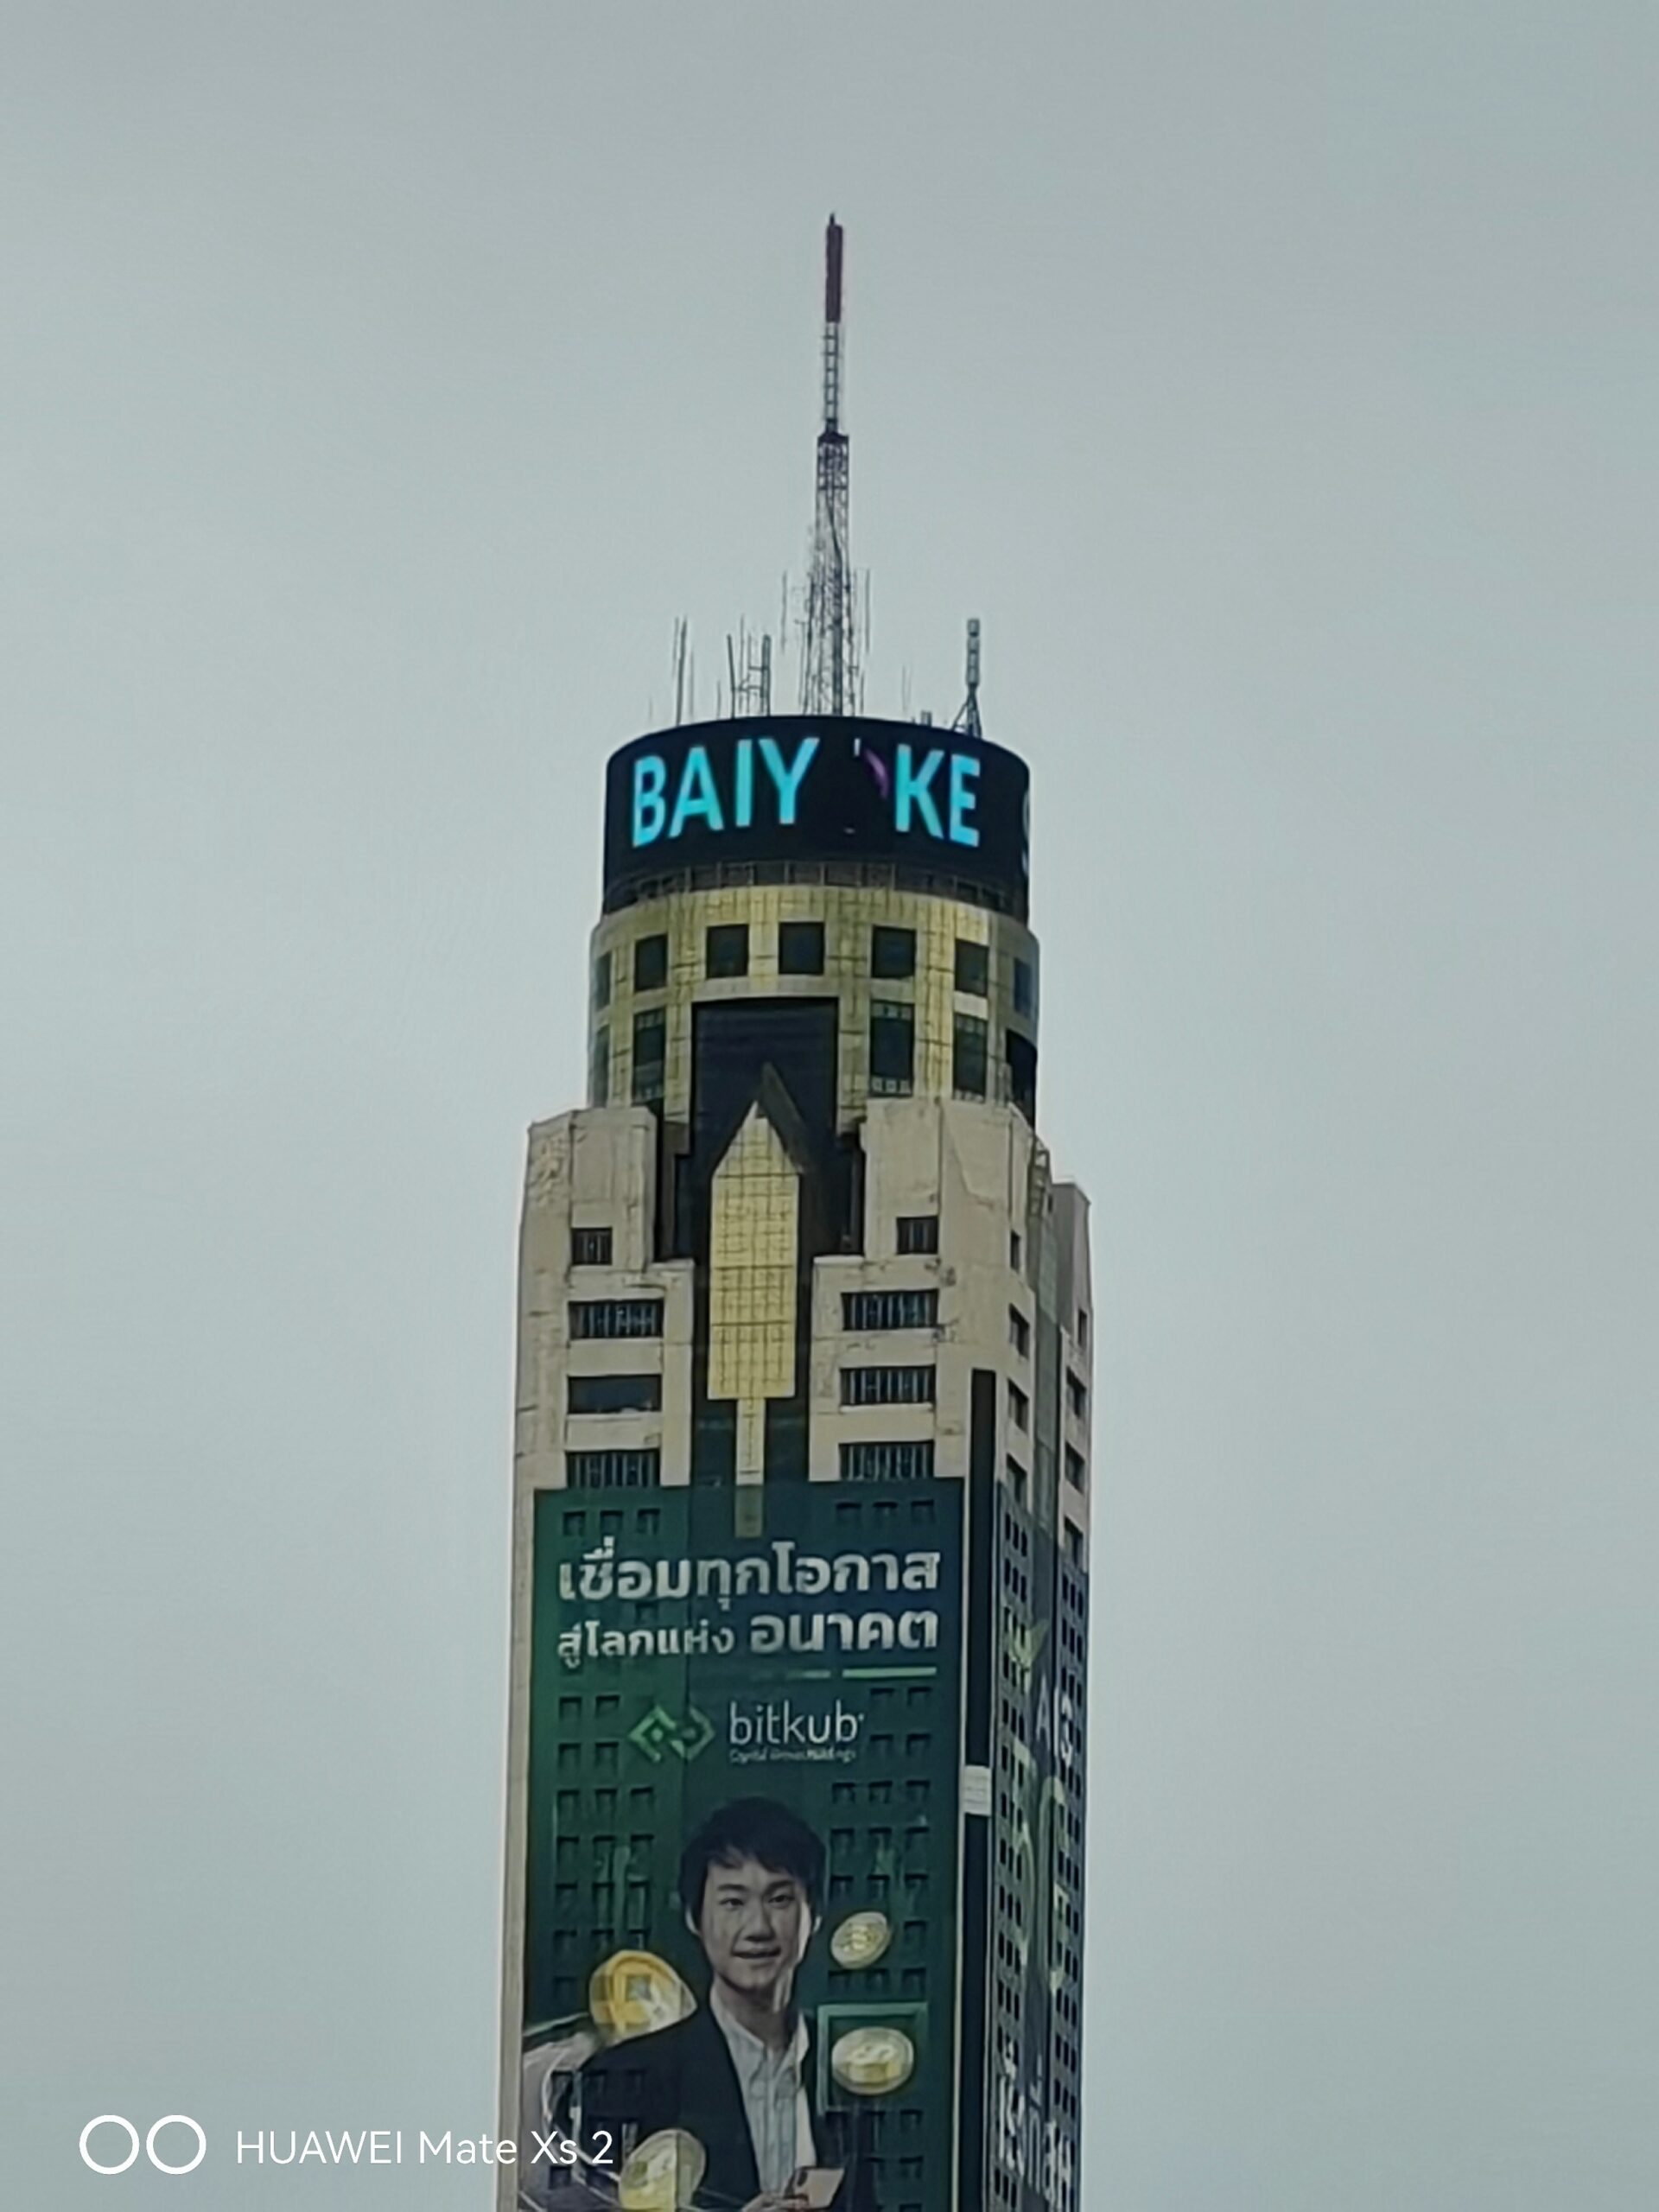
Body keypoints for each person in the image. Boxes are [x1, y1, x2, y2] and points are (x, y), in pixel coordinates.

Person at [582, 1798, 862, 2212]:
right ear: (694, 1918)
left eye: (779, 1900)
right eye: (733, 1902)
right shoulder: (627, 2078)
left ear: (815, 1915)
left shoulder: (848, 2073)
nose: (758, 1928)